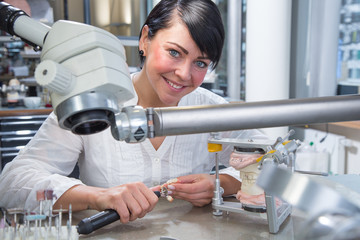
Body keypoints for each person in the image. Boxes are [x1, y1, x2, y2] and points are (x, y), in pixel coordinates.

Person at [0, 0, 266, 224]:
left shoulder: (211, 111)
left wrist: (220, 184)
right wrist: (96, 196)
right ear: (145, 39)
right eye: (174, 52)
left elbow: (273, 160)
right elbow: (11, 185)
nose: (184, 74)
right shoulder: (92, 99)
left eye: (200, 62)